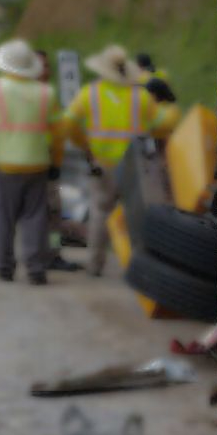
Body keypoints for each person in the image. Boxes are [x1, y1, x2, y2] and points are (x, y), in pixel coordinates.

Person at [65, 45, 160, 276]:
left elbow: (68, 124)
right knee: (135, 216)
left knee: (100, 212)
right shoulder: (142, 96)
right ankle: (137, 267)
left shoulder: (90, 93)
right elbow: (156, 126)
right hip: (133, 165)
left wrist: (85, 146)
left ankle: (94, 265)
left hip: (102, 163)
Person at [0, 39, 65, 284]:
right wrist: (56, 163)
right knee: (36, 217)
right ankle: (36, 268)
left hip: (4, 165)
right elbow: (59, 135)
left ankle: (4, 267)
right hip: (37, 163)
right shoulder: (47, 93)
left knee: (4, 217)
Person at [33, 49, 82, 273]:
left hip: (50, 165)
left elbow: (59, 130)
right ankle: (34, 255)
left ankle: (52, 254)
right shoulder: (25, 96)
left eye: (47, 66)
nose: (45, 70)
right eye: (40, 66)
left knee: (53, 216)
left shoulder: (49, 95)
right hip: (31, 165)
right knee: (32, 216)